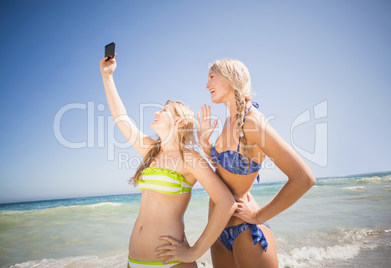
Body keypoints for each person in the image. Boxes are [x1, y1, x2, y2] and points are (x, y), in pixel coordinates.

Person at [159, 59, 316, 268]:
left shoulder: (253, 123)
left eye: (212, 78)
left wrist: (259, 215)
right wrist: (206, 144)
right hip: (217, 230)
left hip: (246, 231)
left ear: (230, 78)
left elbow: (304, 178)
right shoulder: (229, 120)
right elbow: (225, 170)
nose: (207, 85)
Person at [100, 54, 236, 268]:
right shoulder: (150, 151)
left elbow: (226, 202)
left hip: (171, 263)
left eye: (163, 110)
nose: (156, 112)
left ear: (178, 120)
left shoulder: (190, 158)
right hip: (133, 262)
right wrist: (107, 76)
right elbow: (121, 118)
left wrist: (194, 252)